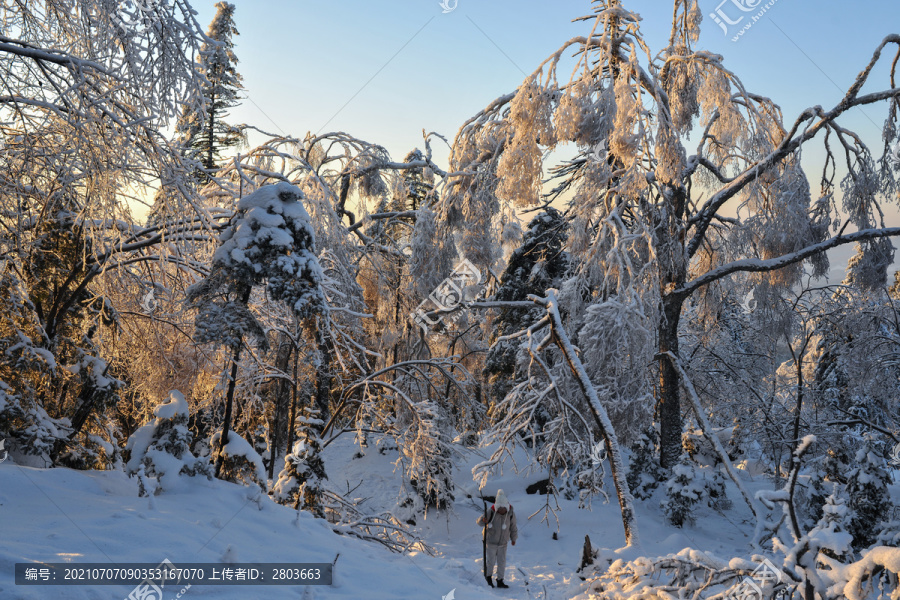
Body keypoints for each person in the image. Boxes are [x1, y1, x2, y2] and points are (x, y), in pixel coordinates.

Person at [476, 488, 518, 588]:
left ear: (506, 507)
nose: (501, 510)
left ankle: (500, 580)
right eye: (500, 508)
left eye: (503, 508)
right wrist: (484, 520)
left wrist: (513, 538)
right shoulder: (491, 511)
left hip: (503, 543)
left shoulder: (510, 513)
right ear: (497, 506)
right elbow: (479, 522)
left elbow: (513, 527)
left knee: (502, 562)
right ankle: (488, 578)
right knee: (490, 561)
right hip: (490, 541)